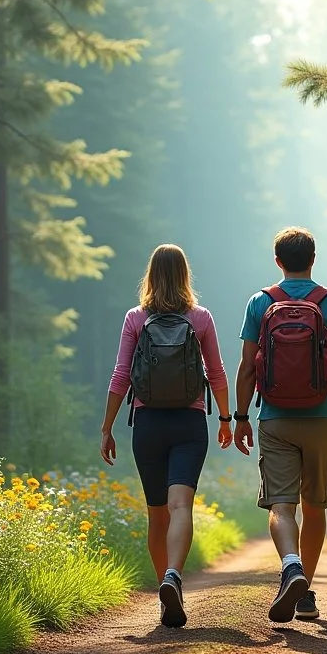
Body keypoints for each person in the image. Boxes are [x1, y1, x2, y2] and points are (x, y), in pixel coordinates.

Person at [232, 227, 327, 623]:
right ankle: (305, 590)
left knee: (281, 504)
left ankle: (290, 564)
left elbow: (246, 367)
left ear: (278, 261)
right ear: (313, 259)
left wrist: (240, 417)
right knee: (315, 504)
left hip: (274, 418)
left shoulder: (260, 303)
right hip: (322, 418)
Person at [101, 244, 233, 628]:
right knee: (181, 507)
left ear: (151, 276)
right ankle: (174, 576)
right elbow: (218, 373)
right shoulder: (201, 317)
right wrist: (226, 418)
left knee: (156, 514)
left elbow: (121, 376)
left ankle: (164, 588)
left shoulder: (136, 318)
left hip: (148, 425)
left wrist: (107, 426)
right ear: (184, 275)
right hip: (189, 425)